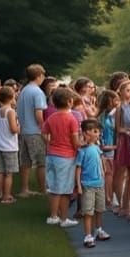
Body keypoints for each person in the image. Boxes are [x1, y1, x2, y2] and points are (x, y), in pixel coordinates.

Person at [41, 87, 83, 228]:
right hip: (66, 157)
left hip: (51, 155)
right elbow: (75, 142)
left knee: (53, 187)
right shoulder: (72, 119)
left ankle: (54, 215)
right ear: (70, 101)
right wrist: (85, 144)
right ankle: (62, 218)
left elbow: (44, 133)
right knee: (65, 190)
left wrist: (50, 142)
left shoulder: (51, 118)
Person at [75, 118, 111, 248]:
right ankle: (88, 235)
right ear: (85, 133)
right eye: (95, 131)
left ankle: (99, 229)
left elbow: (101, 160)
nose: (97, 134)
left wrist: (103, 169)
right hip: (87, 185)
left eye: (98, 132)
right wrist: (79, 186)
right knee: (88, 211)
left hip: (99, 184)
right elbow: (78, 169)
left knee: (99, 209)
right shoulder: (82, 151)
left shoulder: (97, 148)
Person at [16, 64, 48, 197]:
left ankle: (24, 189)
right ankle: (43, 189)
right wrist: (44, 128)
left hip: (24, 131)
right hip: (35, 131)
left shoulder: (24, 91)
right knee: (41, 162)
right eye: (43, 75)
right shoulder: (38, 92)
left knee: (25, 162)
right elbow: (38, 113)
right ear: (39, 76)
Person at [113, 79, 130, 216]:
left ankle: (129, 207)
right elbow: (118, 127)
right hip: (126, 140)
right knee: (126, 174)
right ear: (121, 92)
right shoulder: (120, 108)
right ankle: (128, 207)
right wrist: (127, 131)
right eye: (127, 90)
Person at [0, 85, 20, 205]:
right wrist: (20, 127)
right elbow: (13, 129)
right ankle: (6, 196)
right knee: (9, 173)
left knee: (0, 171)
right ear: (11, 97)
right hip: (9, 146)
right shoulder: (11, 112)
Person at [97, 89, 120, 213]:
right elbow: (103, 137)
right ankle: (109, 199)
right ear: (109, 102)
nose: (118, 102)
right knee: (109, 175)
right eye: (115, 99)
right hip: (108, 149)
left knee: (110, 174)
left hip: (110, 148)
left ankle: (110, 198)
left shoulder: (105, 115)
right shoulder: (106, 118)